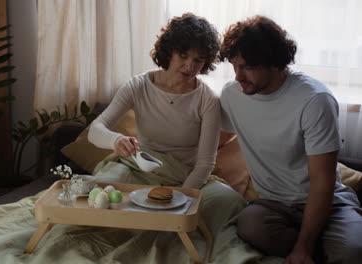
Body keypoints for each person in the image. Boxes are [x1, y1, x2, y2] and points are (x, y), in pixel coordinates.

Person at [88, 12, 246, 242]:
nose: (189, 66)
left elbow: (205, 163)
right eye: (183, 55)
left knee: (229, 200)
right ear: (168, 51)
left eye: (198, 60)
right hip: (140, 170)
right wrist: (115, 140)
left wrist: (179, 197)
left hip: (186, 178)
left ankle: (158, 226)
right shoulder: (138, 86)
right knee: (104, 186)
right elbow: (96, 129)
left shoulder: (207, 99)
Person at [219, 15, 362, 264]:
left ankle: (315, 244)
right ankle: (318, 248)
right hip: (273, 205)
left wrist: (303, 248)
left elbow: (322, 182)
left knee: (351, 253)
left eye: (248, 67)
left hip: (327, 203)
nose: (238, 75)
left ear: (274, 62)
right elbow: (213, 139)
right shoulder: (232, 95)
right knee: (249, 227)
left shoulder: (314, 100)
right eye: (234, 65)